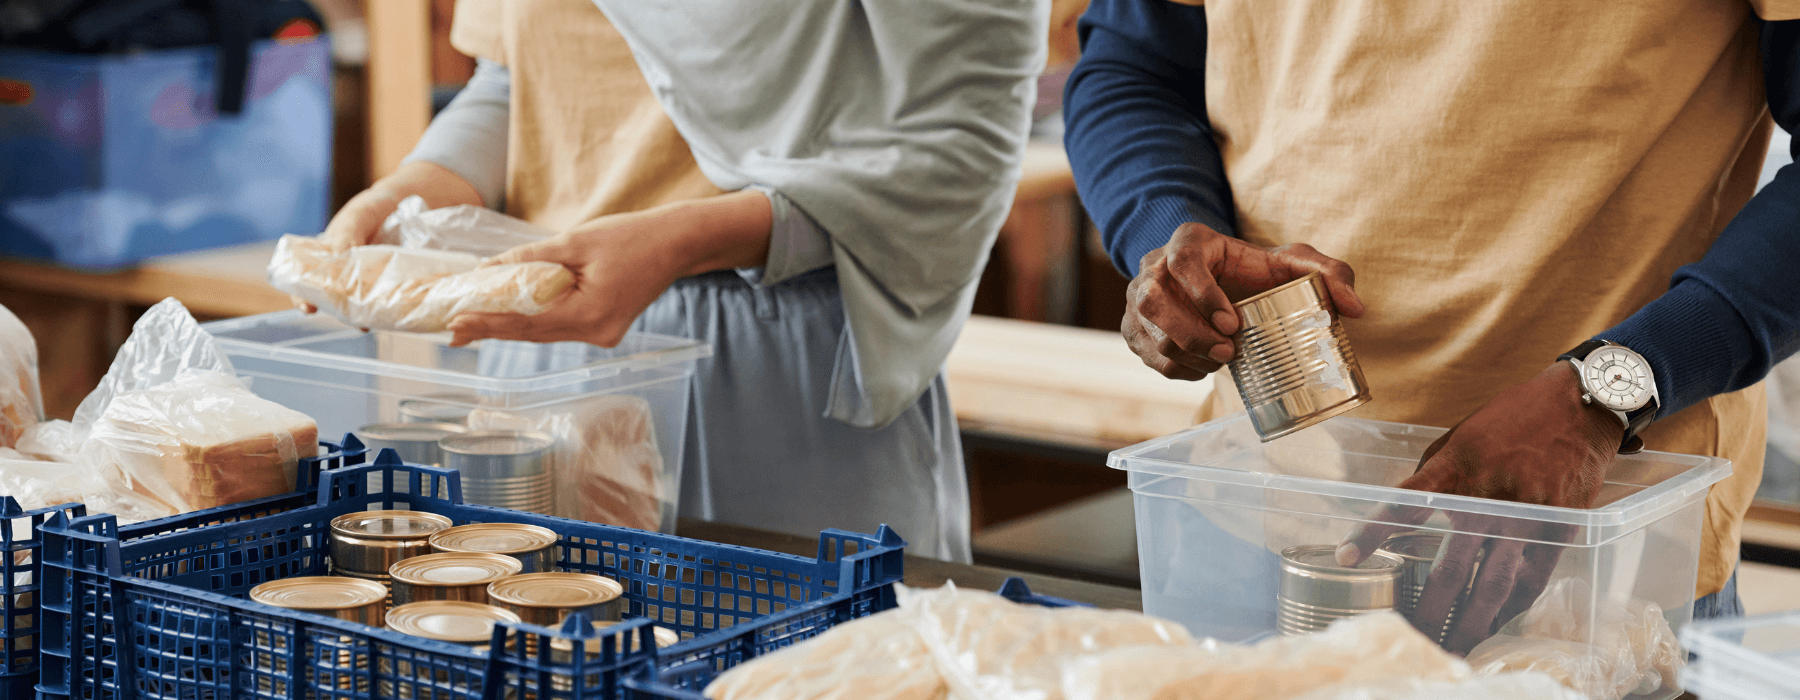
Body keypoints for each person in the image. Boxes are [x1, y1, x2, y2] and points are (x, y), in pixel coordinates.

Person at [1064, 0, 1800, 652]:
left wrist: (1610, 392)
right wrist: (1167, 228)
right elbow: (1133, 66)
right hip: (1259, 505)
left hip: (1601, 548)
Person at [313, 0, 1048, 561]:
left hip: (781, 368)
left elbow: (964, 147)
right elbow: (514, 81)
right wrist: (413, 188)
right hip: (543, 370)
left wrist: (682, 239)